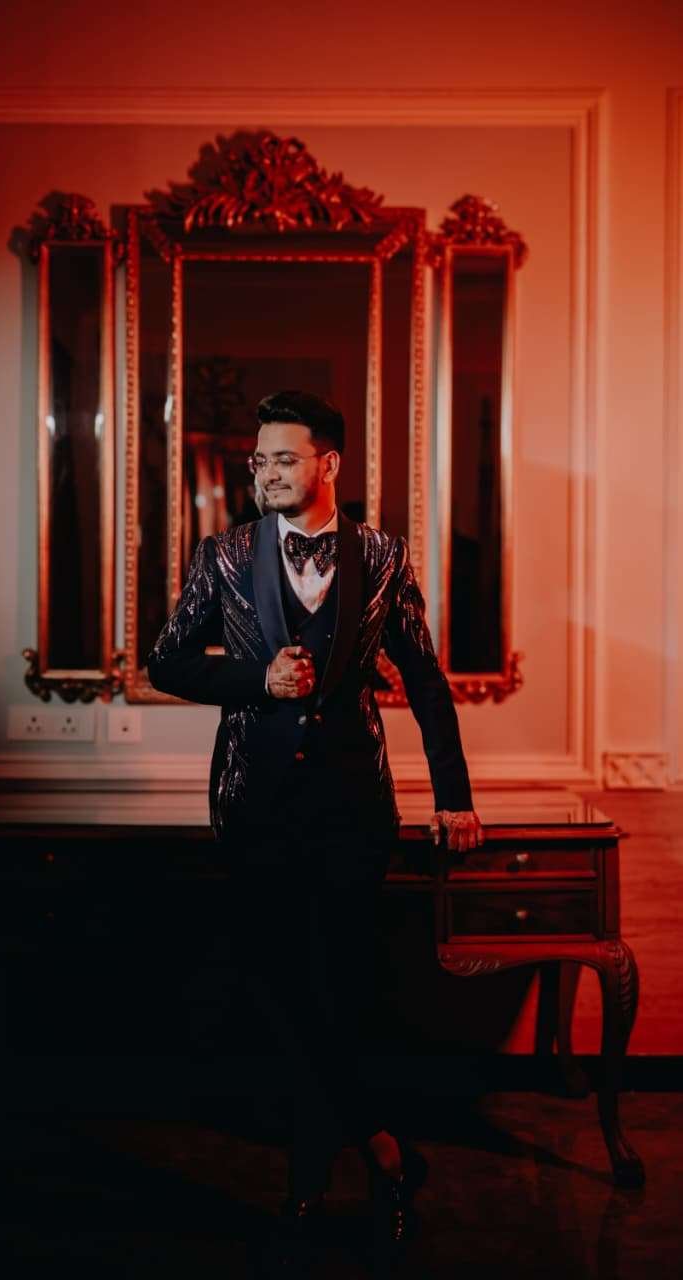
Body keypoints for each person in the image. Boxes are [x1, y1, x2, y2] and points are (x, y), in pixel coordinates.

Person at [147, 389, 483, 1256]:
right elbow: (166, 661)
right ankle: (382, 1150)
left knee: (339, 987)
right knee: (278, 985)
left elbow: (425, 679)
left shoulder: (383, 555)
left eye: (283, 458)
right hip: (253, 806)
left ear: (327, 463)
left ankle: (309, 1177)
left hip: (352, 808)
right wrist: (253, 682)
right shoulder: (223, 555)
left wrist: (452, 796)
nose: (264, 473)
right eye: (258, 460)